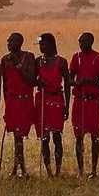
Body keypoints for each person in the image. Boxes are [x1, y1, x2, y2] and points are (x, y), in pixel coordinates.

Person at [0, 32, 40, 179]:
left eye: (12, 41)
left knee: (20, 135)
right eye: (8, 41)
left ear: (19, 42)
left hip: (25, 101)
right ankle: (19, 168)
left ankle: (19, 168)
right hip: (12, 102)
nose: (9, 43)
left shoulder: (28, 57)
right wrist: (6, 102)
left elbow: (31, 80)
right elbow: (5, 83)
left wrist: (17, 64)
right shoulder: (5, 60)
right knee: (16, 136)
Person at [68, 32, 99, 178]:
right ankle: (81, 170)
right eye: (79, 42)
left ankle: (94, 170)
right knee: (78, 137)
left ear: (90, 42)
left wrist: (91, 82)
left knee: (95, 137)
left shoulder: (98, 58)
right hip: (79, 100)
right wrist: (78, 82)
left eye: (83, 41)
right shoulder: (76, 57)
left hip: (93, 101)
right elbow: (69, 79)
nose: (81, 44)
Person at [35, 33, 69, 178]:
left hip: (56, 100)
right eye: (40, 45)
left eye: (43, 44)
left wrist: (67, 105)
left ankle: (58, 170)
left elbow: (67, 84)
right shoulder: (37, 61)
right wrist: (38, 82)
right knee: (44, 138)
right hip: (42, 100)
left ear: (51, 44)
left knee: (56, 136)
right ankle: (48, 170)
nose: (41, 47)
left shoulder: (61, 62)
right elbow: (31, 79)